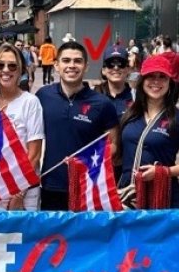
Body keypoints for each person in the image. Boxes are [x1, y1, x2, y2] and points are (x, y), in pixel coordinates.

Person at [36, 41, 121, 210]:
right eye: (66, 61)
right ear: (56, 65)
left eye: (77, 61)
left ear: (86, 66)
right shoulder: (42, 96)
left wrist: (85, 162)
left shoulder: (102, 104)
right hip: (51, 185)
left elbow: (113, 146)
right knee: (54, 237)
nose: (71, 66)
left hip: (88, 187)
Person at [117, 51, 179, 209]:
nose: (156, 82)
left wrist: (163, 172)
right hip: (129, 193)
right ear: (142, 81)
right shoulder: (129, 114)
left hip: (163, 195)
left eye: (162, 77)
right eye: (150, 76)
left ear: (170, 82)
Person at [0, 43, 43, 210]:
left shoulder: (30, 102)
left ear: (21, 70)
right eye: (0, 65)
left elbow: (35, 153)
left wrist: (19, 193)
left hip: (23, 190)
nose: (6, 70)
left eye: (12, 65)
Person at [98, 44, 134, 115]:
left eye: (121, 63)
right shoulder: (93, 97)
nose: (116, 68)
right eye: (110, 64)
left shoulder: (136, 98)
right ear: (103, 70)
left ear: (128, 69)